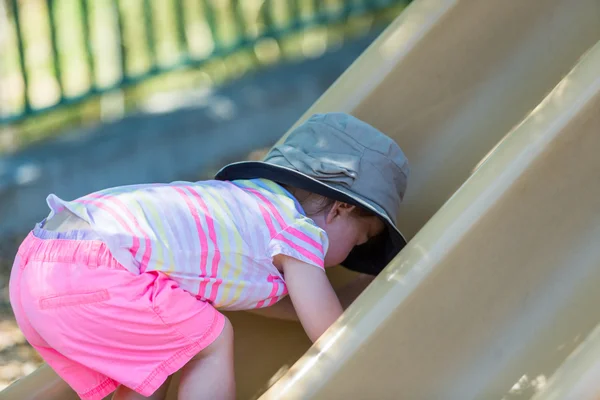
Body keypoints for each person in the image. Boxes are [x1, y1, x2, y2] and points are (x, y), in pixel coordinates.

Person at [9, 112, 410, 400]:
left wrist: (347, 292)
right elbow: (332, 334)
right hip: (101, 268)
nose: (353, 252)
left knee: (164, 356)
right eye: (361, 239)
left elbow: (274, 304)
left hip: (40, 260)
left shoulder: (246, 208)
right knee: (212, 338)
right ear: (340, 209)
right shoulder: (298, 230)